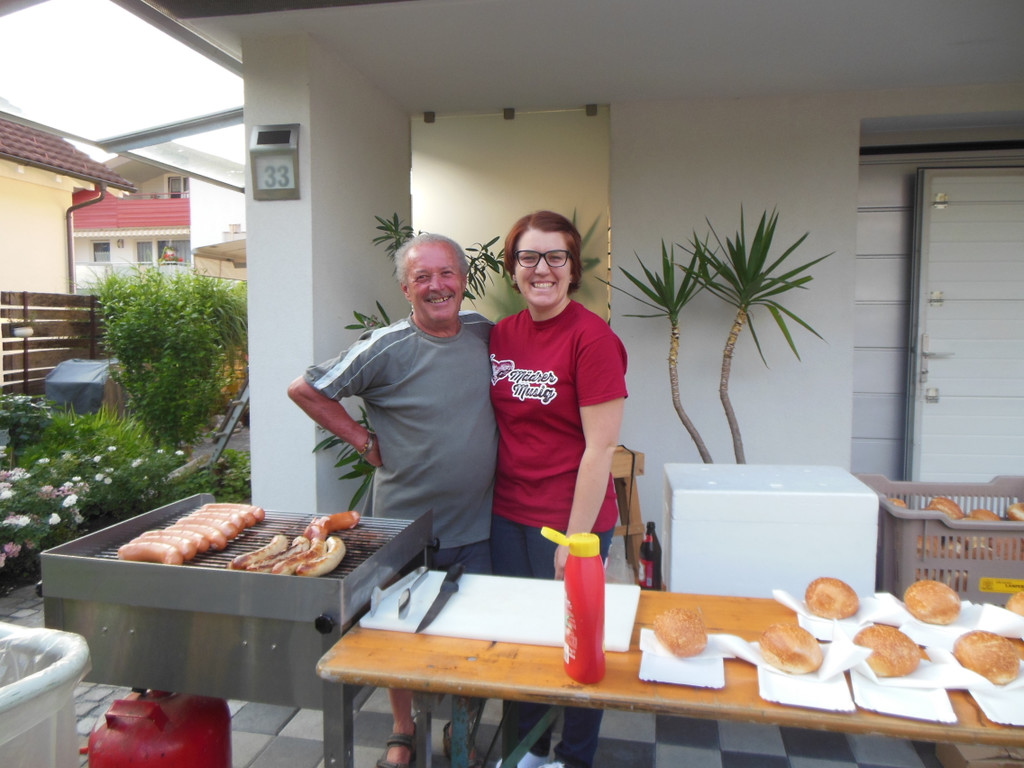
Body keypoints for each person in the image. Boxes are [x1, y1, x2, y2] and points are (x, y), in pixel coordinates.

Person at [288, 232, 497, 768]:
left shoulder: (485, 333)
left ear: (464, 280)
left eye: (446, 274)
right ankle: (403, 730)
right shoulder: (385, 346)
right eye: (422, 277)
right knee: (399, 632)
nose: (437, 286)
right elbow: (305, 389)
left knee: (469, 633)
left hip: (478, 523)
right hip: (405, 527)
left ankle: (460, 730)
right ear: (406, 289)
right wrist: (363, 441)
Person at [489, 211, 628, 768]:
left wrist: (574, 540)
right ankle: (528, 753)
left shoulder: (593, 339)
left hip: (574, 521)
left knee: (579, 643)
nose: (541, 268)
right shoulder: (502, 334)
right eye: (528, 257)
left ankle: (574, 757)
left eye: (555, 257)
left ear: (573, 269)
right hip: (508, 514)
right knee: (523, 638)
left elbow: (601, 448)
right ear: (513, 269)